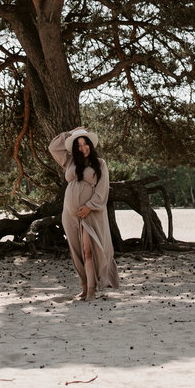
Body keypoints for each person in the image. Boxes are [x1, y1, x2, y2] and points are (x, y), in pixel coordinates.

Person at [49, 126, 120, 300]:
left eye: (85, 143)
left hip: (91, 214)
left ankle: (92, 290)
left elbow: (102, 190)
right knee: (77, 251)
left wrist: (89, 206)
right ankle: (84, 287)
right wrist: (71, 132)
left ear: (90, 145)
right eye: (78, 145)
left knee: (89, 251)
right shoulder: (70, 162)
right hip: (70, 215)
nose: (83, 148)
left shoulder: (100, 164)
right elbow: (53, 147)